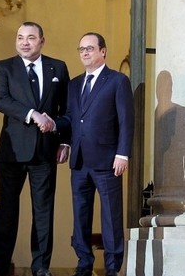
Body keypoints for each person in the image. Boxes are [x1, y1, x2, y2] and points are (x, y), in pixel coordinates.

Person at [0, 22, 70, 276]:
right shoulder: (3, 67)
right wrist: (33, 114)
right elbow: (1, 100)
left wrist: (65, 140)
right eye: (20, 38)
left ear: (42, 40)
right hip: (13, 151)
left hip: (46, 151)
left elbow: (66, 108)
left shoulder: (58, 67)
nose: (24, 42)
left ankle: (41, 267)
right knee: (7, 209)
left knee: (43, 210)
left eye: (31, 38)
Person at [55, 32, 134, 276]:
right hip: (79, 160)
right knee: (80, 214)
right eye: (81, 49)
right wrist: (65, 142)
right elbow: (71, 117)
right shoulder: (75, 83)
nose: (85, 53)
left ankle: (112, 267)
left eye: (90, 48)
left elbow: (126, 120)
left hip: (107, 160)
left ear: (103, 51)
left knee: (111, 216)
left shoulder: (117, 81)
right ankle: (83, 263)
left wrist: (123, 154)